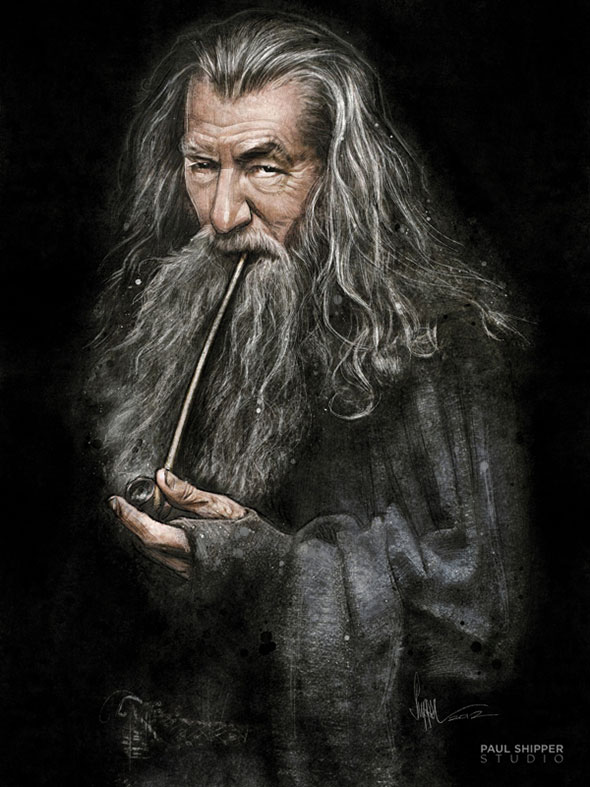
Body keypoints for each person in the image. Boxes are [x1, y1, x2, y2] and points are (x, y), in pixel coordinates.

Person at [90, 10, 530, 786]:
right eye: (202, 165)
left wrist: (270, 564)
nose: (222, 215)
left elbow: (479, 621)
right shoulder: (174, 310)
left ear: (337, 174)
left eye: (266, 168)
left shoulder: (433, 339)